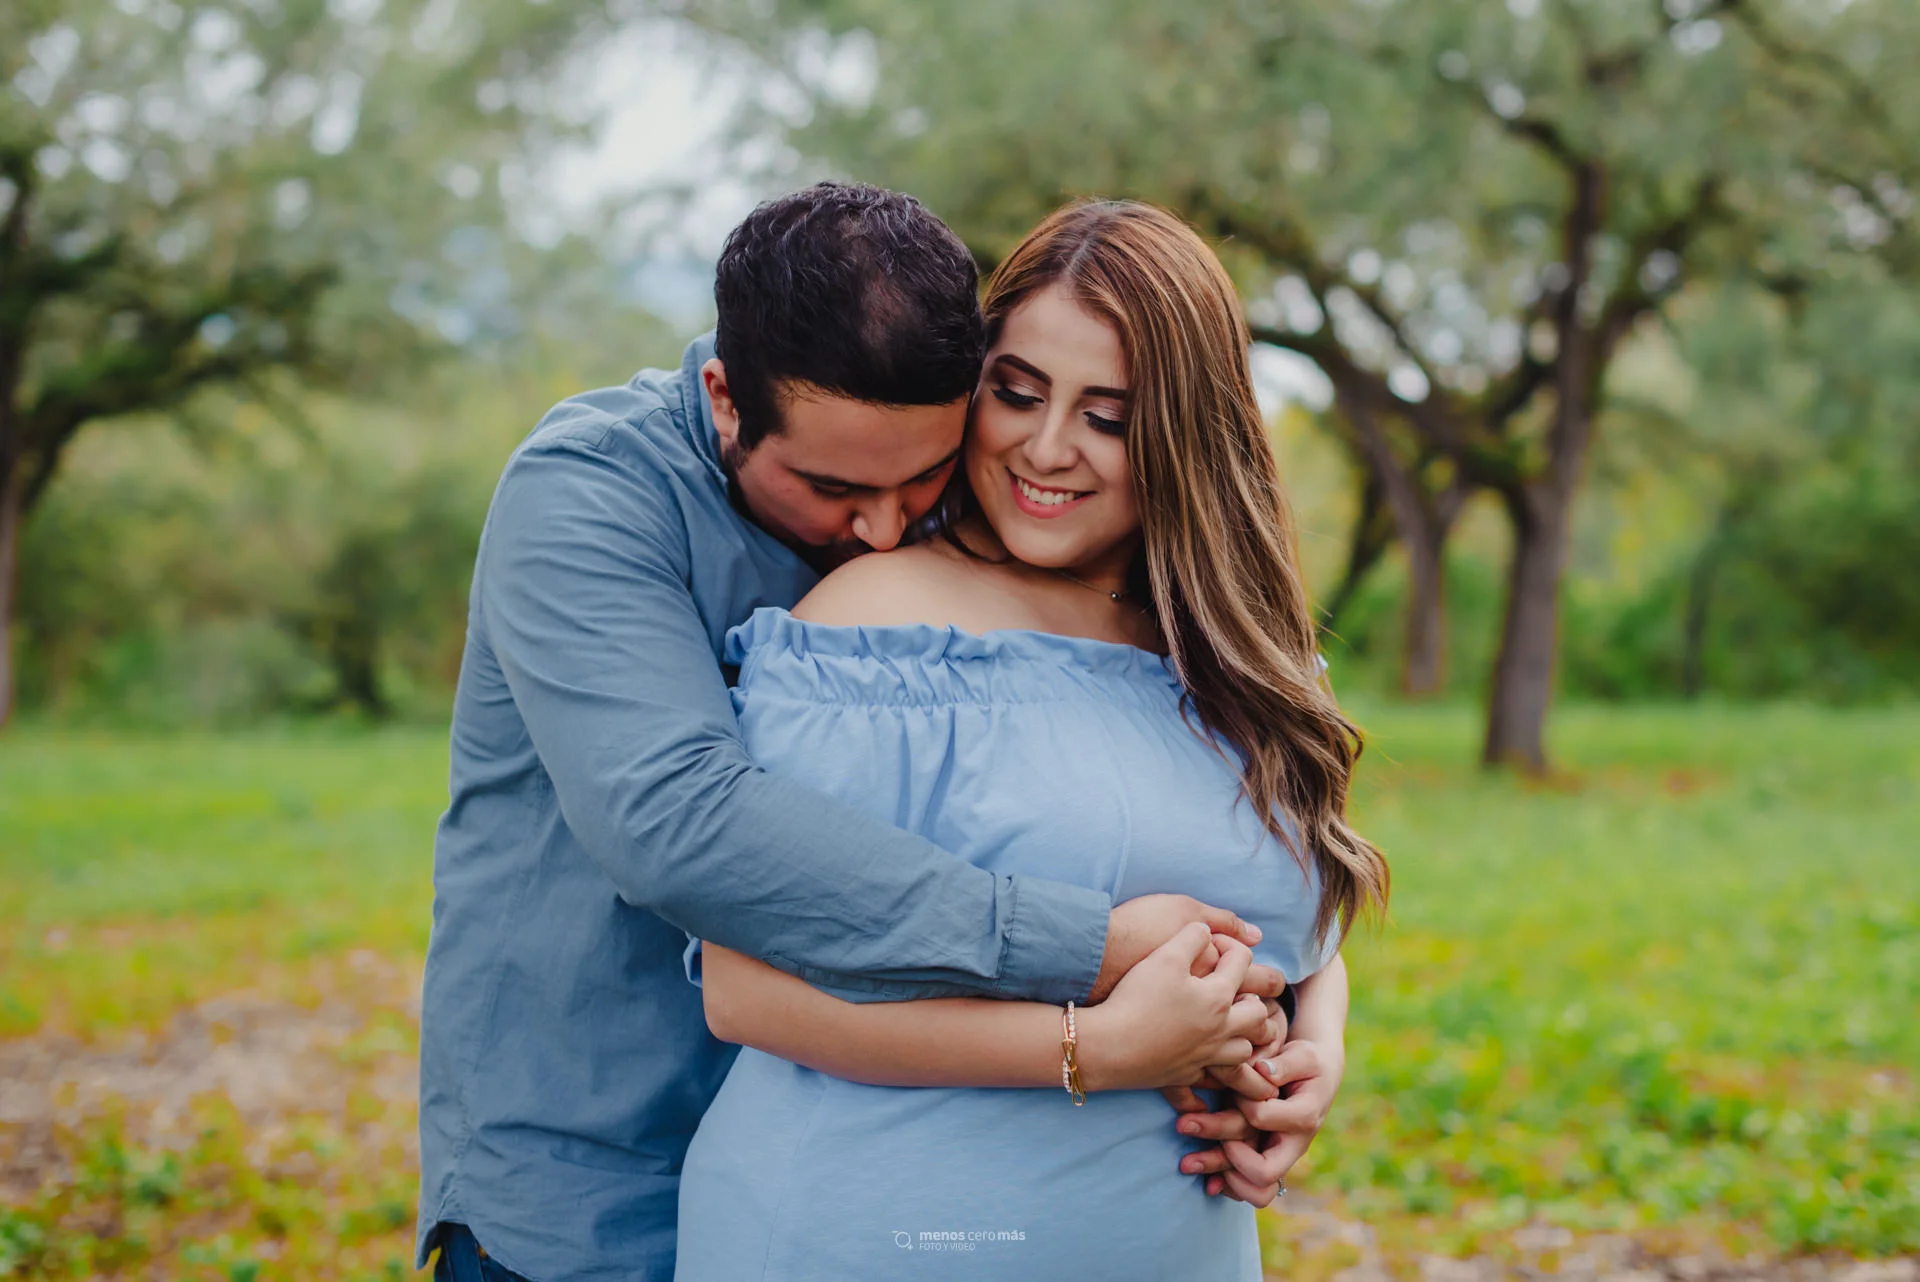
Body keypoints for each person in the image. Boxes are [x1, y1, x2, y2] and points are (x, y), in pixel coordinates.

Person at [415, 183, 1337, 1282]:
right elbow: (681, 826)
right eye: (838, 488)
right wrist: (1095, 966)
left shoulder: (1004, 523)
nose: (887, 527)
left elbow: (1265, 855)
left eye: (924, 477)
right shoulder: (596, 501)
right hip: (589, 1176)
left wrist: (1308, 1035)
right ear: (724, 397)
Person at [674, 200, 1389, 1280]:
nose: (1046, 448)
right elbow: (746, 988)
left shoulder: (1237, 657)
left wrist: (1314, 1047)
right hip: (869, 1234)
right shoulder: (874, 629)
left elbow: (1287, 899)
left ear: (1186, 434)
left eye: (1109, 415)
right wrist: (1090, 1051)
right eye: (1017, 394)